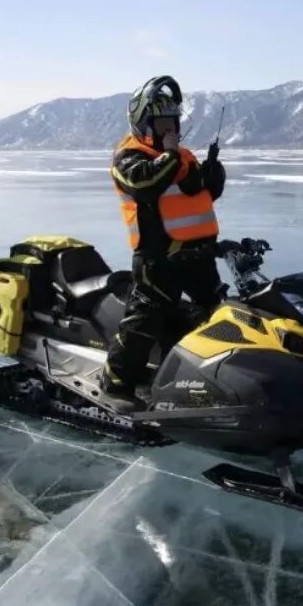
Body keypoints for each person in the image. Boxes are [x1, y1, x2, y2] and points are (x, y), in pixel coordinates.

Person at [100, 75, 226, 400]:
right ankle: (115, 385)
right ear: (144, 123)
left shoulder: (182, 156)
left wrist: (213, 176)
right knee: (144, 319)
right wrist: (170, 156)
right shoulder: (129, 157)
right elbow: (145, 183)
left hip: (196, 253)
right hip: (157, 257)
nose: (171, 129)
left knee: (211, 315)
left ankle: (190, 382)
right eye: (162, 123)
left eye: (173, 122)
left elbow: (198, 193)